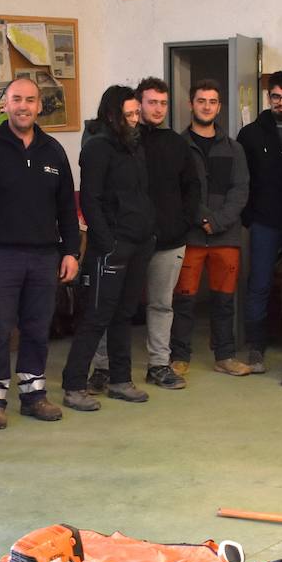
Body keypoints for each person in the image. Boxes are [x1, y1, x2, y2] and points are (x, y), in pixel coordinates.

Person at [0, 77, 81, 429]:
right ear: (4, 106)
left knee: (37, 327)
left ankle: (34, 396)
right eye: (16, 99)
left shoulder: (54, 151)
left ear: (40, 106)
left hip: (44, 258)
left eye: (30, 100)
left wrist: (70, 251)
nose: (23, 106)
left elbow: (66, 210)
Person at [89, 76, 200, 392]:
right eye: (151, 102)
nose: (157, 109)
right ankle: (103, 368)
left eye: (163, 103)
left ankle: (158, 365)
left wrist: (184, 221)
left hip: (168, 240)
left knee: (162, 305)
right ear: (137, 104)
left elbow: (192, 186)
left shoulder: (177, 143)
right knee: (111, 306)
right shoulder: (122, 143)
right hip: (124, 241)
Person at [61, 85, 156, 411]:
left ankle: (120, 380)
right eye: (129, 114)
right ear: (113, 115)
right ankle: (74, 385)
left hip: (140, 242)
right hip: (111, 247)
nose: (135, 120)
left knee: (125, 315)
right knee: (96, 316)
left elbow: (140, 195)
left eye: (136, 114)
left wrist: (149, 232)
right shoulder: (98, 147)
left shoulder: (135, 146)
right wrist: (107, 242)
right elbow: (91, 199)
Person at [171, 78, 252, 375]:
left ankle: (225, 357)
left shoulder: (234, 149)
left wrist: (216, 221)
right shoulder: (177, 147)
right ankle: (179, 357)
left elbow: (240, 190)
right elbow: (175, 192)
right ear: (191, 104)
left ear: (219, 107)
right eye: (201, 100)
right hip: (189, 236)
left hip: (226, 236)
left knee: (224, 301)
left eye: (212, 101)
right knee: (184, 300)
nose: (207, 106)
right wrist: (202, 218)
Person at [236, 71, 282, 373]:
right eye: (276, 97)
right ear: (268, 98)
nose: (281, 102)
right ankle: (256, 348)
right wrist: (249, 218)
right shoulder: (251, 133)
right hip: (264, 222)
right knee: (259, 285)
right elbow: (242, 180)